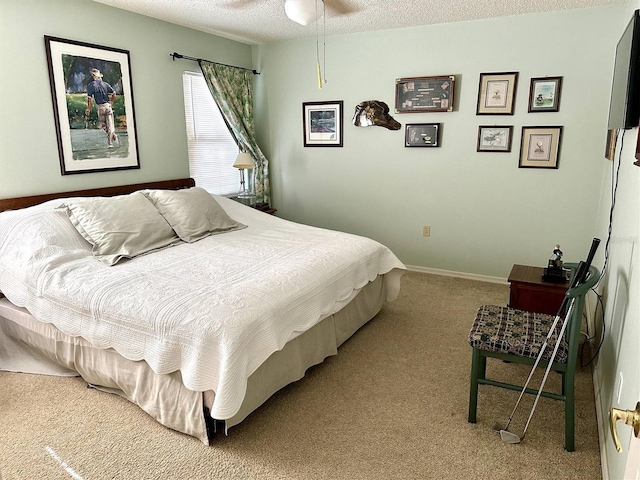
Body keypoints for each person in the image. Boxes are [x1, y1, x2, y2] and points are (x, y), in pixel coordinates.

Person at [85, 68, 118, 147]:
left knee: (103, 125)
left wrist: (88, 108)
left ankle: (110, 141)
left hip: (100, 107)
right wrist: (111, 102)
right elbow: (114, 93)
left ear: (93, 76)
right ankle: (112, 136)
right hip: (107, 106)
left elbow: (89, 98)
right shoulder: (105, 84)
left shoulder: (91, 85)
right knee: (110, 124)